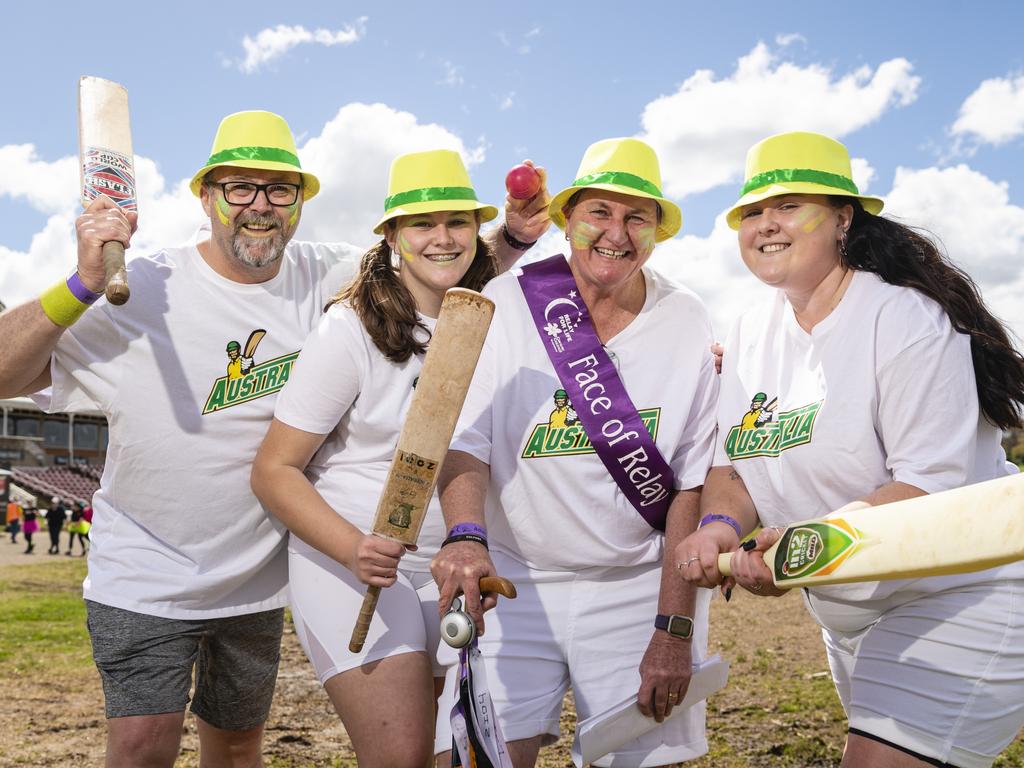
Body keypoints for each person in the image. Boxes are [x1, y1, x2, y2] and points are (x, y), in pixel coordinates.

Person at [677, 131, 1024, 768]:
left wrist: (801, 550)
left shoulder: (905, 319)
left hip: (961, 593)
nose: (766, 223)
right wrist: (722, 527)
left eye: (788, 206)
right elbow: (736, 464)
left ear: (843, 219)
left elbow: (925, 489)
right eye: (752, 211)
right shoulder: (752, 330)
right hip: (852, 610)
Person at [251, 148, 549, 767]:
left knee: (464, 758)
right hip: (355, 564)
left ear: (476, 230)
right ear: (392, 237)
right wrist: (352, 548)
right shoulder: (351, 329)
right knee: (402, 756)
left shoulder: (501, 321)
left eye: (457, 222)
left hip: (460, 568)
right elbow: (274, 470)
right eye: (422, 224)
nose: (442, 238)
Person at [431, 138, 720, 767]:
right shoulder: (510, 301)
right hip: (514, 582)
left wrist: (673, 629)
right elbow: (463, 440)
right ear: (568, 218)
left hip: (635, 586)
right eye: (599, 213)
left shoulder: (687, 318)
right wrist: (465, 535)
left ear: (657, 231)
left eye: (636, 217)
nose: (615, 232)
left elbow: (691, 485)